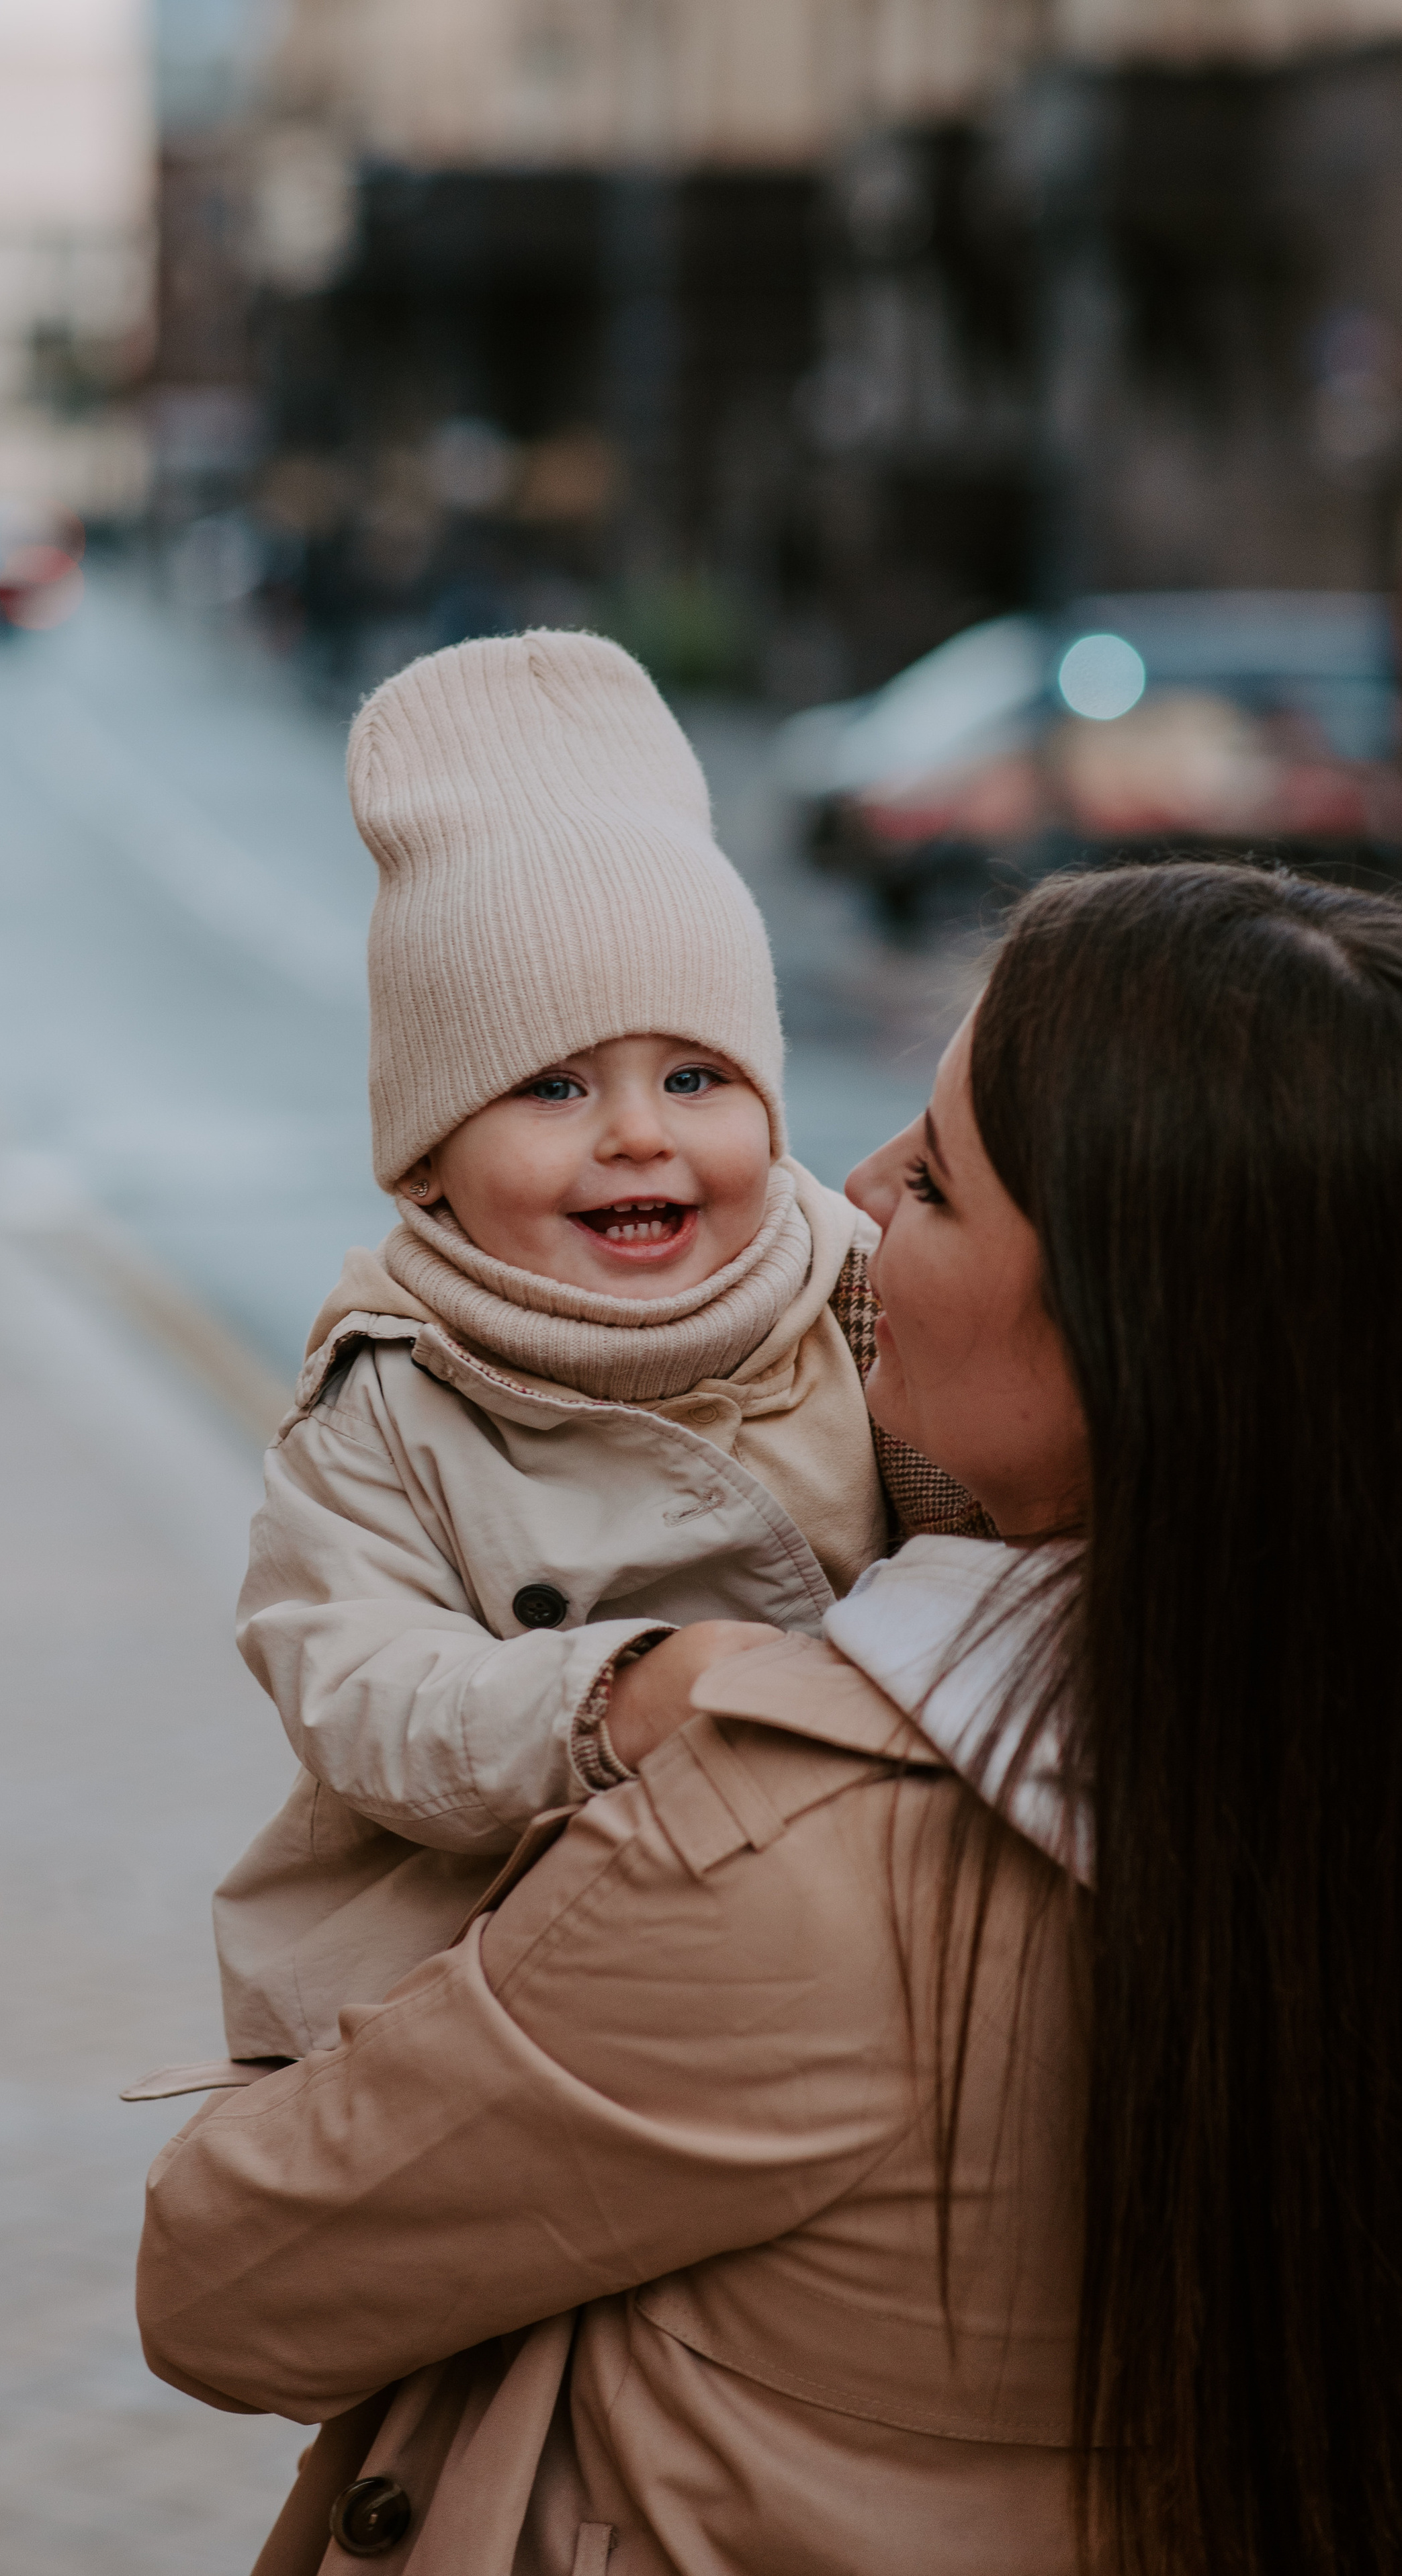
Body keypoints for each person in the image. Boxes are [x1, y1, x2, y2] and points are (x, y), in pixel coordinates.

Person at [138, 861, 1402, 2576]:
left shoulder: (792, 1865)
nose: (857, 1194)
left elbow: (225, 2283)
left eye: (940, 1184)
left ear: (1131, 1322)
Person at [130, 628, 977, 2100]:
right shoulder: (390, 1393)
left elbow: (982, 1523)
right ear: (430, 1158)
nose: (638, 1134)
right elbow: (357, 1687)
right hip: (485, 1983)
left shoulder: (845, 1283)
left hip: (825, 1946)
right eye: (553, 1085)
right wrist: (619, 1695)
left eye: (696, 1076)